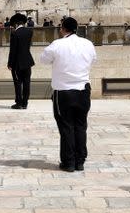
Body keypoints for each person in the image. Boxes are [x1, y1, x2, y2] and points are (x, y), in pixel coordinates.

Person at [39, 17, 97, 172]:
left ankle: (69, 162)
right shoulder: (88, 44)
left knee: (66, 127)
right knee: (80, 125)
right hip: (83, 91)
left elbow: (43, 60)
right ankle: (80, 161)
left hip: (63, 92)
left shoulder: (57, 44)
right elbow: (93, 60)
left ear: (62, 29)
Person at [7, 13, 34, 110]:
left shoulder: (14, 33)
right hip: (27, 61)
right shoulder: (29, 32)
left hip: (17, 63)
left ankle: (19, 102)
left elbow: (13, 50)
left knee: (18, 83)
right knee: (27, 83)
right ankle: (25, 103)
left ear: (15, 24)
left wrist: (10, 64)